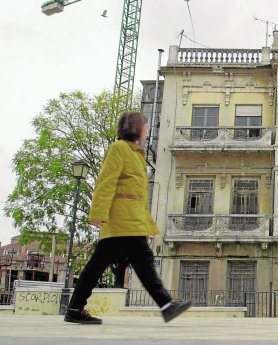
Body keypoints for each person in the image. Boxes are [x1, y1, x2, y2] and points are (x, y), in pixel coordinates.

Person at [64, 111, 191, 324]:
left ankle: (75, 309)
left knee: (99, 266)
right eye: (145, 126)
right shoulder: (119, 149)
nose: (148, 130)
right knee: (142, 262)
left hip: (131, 219)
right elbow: (106, 181)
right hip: (121, 220)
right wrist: (98, 213)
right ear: (135, 128)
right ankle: (166, 304)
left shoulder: (136, 154)